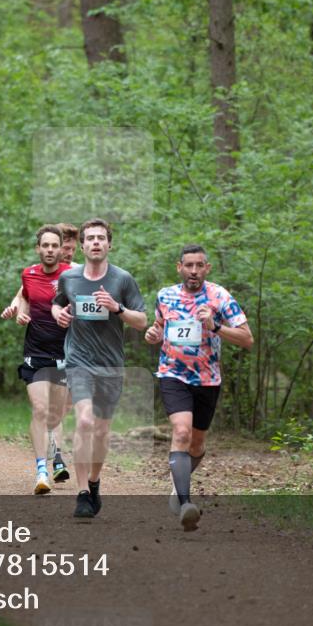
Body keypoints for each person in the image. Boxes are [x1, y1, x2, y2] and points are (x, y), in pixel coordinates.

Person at [144, 244, 252, 531]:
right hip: (173, 375)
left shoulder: (220, 296)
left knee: (197, 445)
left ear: (207, 268)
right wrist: (153, 334)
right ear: (179, 267)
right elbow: (158, 328)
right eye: (188, 265)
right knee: (181, 432)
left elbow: (247, 339)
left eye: (199, 265)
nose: (194, 271)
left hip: (208, 379)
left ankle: (176, 488)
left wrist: (215, 326)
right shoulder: (165, 295)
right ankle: (185, 502)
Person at [52, 218, 147, 518]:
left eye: (101, 238)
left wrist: (117, 308)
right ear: (81, 246)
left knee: (102, 432)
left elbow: (143, 321)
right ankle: (81, 494)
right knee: (83, 422)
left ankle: (94, 483)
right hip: (78, 361)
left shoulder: (122, 280)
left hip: (111, 365)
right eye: (90, 238)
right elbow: (57, 303)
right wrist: (59, 315)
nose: (95, 242)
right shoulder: (70, 279)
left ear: (109, 244)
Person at [5, 221, 80, 479]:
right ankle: (41, 471)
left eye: (55, 246)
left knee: (55, 415)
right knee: (39, 409)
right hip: (35, 352)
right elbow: (24, 296)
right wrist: (19, 313)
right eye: (45, 245)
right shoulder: (29, 274)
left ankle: (57, 456)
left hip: (65, 354)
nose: (50, 250)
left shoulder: (73, 275)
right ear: (38, 248)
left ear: (62, 250)